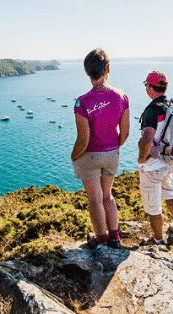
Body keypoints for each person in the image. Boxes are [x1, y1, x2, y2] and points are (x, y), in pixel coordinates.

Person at [71, 49, 130, 248]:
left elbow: (83, 139)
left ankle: (101, 239)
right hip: (112, 153)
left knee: (95, 200)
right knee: (108, 196)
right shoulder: (122, 97)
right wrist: (112, 147)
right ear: (108, 69)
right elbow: (125, 133)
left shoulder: (82, 102)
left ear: (87, 72)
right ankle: (115, 238)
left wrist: (74, 156)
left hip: (90, 156)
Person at [137, 70, 173, 245]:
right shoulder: (172, 106)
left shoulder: (152, 111)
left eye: (146, 85)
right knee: (170, 195)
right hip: (169, 162)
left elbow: (146, 141)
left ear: (150, 88)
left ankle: (157, 240)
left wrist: (142, 160)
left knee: (153, 206)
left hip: (153, 166)